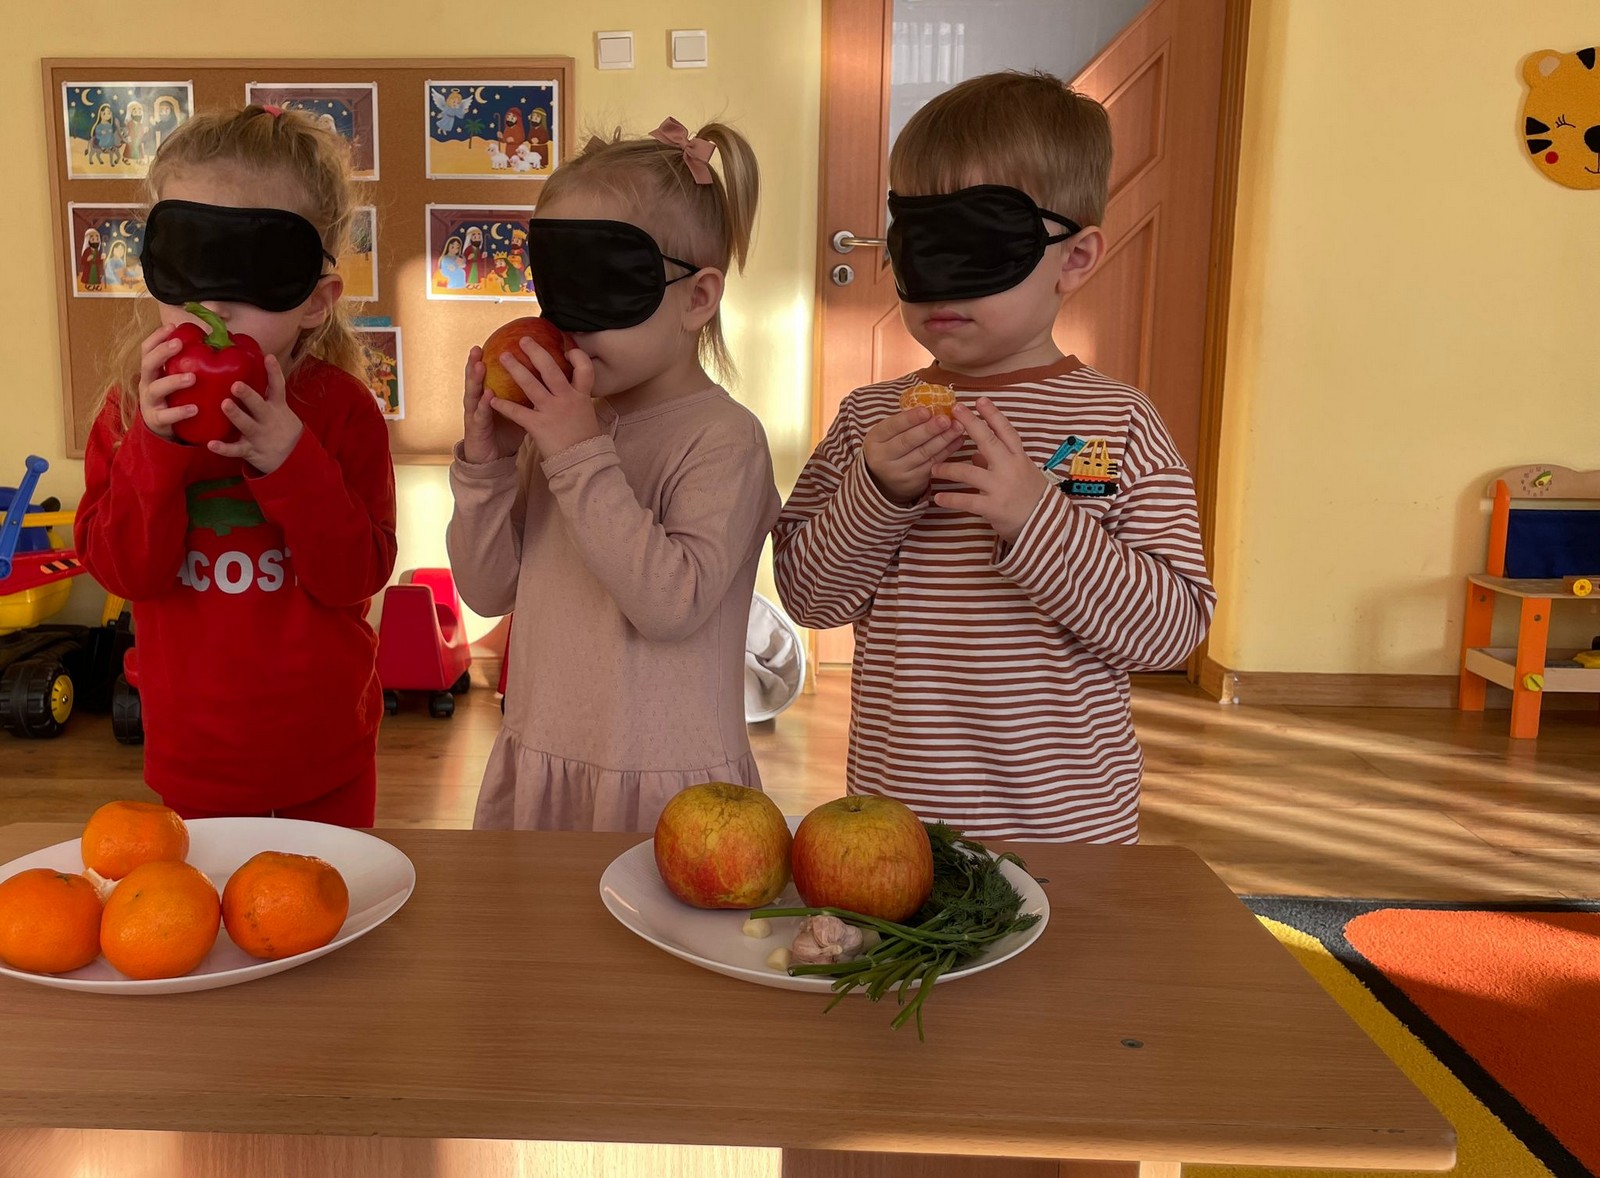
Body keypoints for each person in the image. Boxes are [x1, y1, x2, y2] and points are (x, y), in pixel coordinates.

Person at [775, 71, 1216, 843]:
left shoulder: (1117, 425)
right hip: (898, 828)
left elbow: (1172, 631)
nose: (941, 277)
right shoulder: (871, 421)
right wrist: (876, 492)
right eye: (921, 242)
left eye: (978, 243)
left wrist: (1037, 519)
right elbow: (809, 599)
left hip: (1068, 831)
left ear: (1074, 259)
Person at [447, 117, 779, 831]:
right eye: (557, 286)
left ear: (698, 298)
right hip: (543, 765)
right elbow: (486, 590)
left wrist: (578, 454)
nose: (570, 323)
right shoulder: (563, 425)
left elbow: (670, 606)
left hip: (666, 794)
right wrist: (488, 467)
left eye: (603, 285)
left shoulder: (726, 440)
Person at [75, 104, 396, 827]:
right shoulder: (129, 411)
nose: (213, 303)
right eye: (189, 265)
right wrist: (155, 449)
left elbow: (357, 576)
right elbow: (125, 574)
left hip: (327, 753)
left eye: (253, 271)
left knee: (327, 894)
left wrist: (291, 460)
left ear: (315, 301)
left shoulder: (343, 412)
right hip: (195, 757)